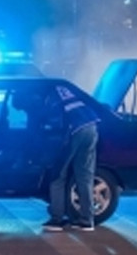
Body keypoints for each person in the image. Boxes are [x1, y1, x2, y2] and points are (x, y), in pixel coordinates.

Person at [42, 85, 99, 232]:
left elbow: (53, 122)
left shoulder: (48, 92)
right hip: (91, 126)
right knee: (85, 176)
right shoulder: (63, 87)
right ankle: (87, 220)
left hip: (74, 131)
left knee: (57, 176)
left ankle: (57, 219)